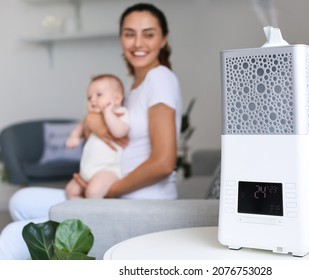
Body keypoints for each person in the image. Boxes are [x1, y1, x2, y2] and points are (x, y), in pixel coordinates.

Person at [0, 2, 182, 259]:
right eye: (129, 33)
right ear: (121, 38)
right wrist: (92, 121)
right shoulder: (133, 88)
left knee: (10, 237)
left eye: (149, 34)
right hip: (120, 195)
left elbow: (163, 163)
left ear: (164, 39)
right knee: (20, 200)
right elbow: (110, 124)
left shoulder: (160, 78)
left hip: (142, 202)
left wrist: (105, 191)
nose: (138, 43)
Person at [65, 74, 130, 199]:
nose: (93, 100)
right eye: (89, 97)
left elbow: (120, 132)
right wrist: (74, 136)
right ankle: (80, 213)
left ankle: (93, 215)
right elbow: (81, 125)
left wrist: (108, 113)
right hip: (87, 171)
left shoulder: (120, 113)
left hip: (108, 170)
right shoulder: (91, 116)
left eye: (99, 95)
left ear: (117, 99)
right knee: (70, 191)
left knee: (93, 192)